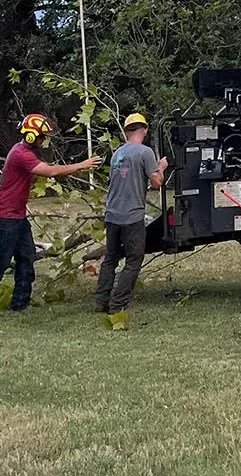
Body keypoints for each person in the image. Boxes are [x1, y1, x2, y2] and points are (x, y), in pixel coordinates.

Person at [0, 113, 98, 314]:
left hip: (17, 217)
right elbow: (51, 172)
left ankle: (20, 304)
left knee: (27, 257)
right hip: (4, 218)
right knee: (2, 261)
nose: (43, 141)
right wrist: (82, 165)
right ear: (31, 135)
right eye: (41, 137)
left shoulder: (25, 152)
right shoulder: (21, 154)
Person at [94, 113, 168, 329]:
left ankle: (101, 301)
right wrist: (161, 166)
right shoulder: (145, 152)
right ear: (144, 130)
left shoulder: (117, 154)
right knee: (134, 259)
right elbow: (156, 183)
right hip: (132, 216)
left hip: (112, 214)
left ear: (125, 132)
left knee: (110, 258)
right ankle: (118, 304)